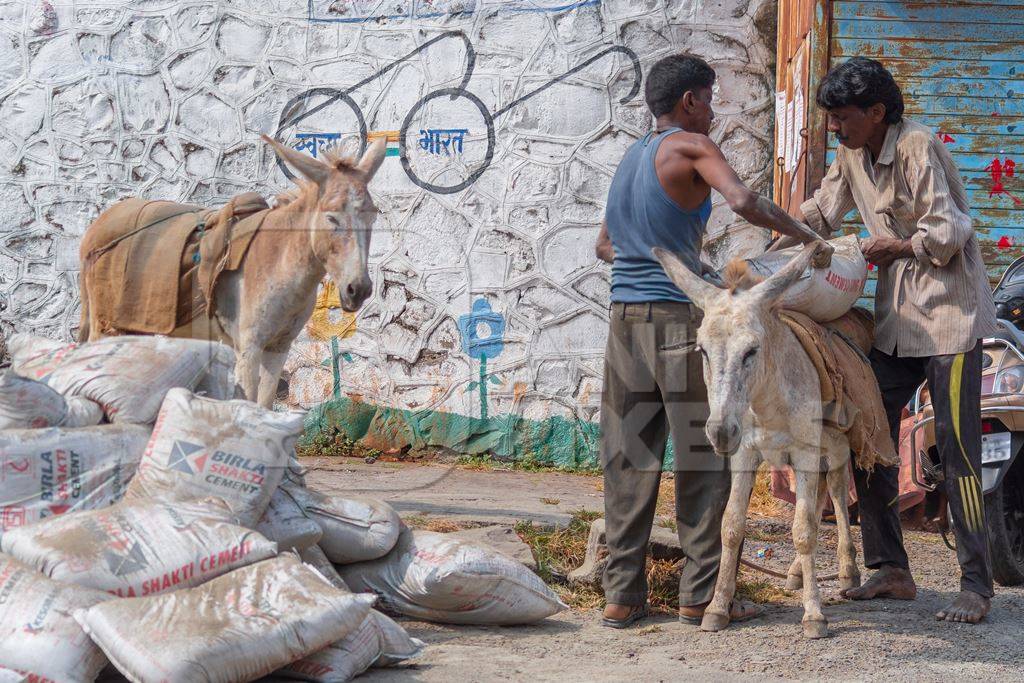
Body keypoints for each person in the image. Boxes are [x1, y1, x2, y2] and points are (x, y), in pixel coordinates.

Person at [596, 53, 830, 628]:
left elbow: (605, 245)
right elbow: (745, 202)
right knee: (703, 452)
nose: (714, 111)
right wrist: (807, 239)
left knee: (629, 455)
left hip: (623, 318)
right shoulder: (691, 148)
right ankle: (699, 595)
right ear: (689, 102)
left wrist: (658, 257)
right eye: (711, 99)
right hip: (678, 317)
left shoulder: (629, 159)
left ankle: (621, 596)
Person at [798, 57, 998, 623]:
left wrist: (897, 247)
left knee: (958, 449)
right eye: (831, 118)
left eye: (842, 118)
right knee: (868, 428)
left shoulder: (916, 146)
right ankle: (891, 568)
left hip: (950, 318)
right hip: (898, 321)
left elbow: (949, 229)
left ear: (877, 111)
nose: (834, 128)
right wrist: (778, 228)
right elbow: (822, 211)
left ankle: (976, 586)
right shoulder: (850, 152)